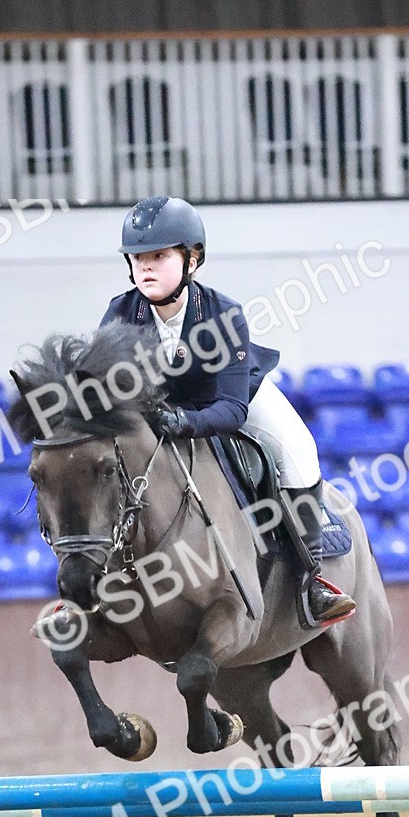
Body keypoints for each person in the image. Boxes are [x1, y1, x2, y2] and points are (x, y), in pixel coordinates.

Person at [99, 195, 355, 625]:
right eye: (138, 257)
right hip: (158, 412)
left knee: (299, 449)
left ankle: (311, 579)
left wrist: (185, 422)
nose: (145, 266)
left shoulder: (224, 314)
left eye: (159, 256)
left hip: (229, 398)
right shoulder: (119, 314)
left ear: (192, 259)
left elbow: (232, 410)